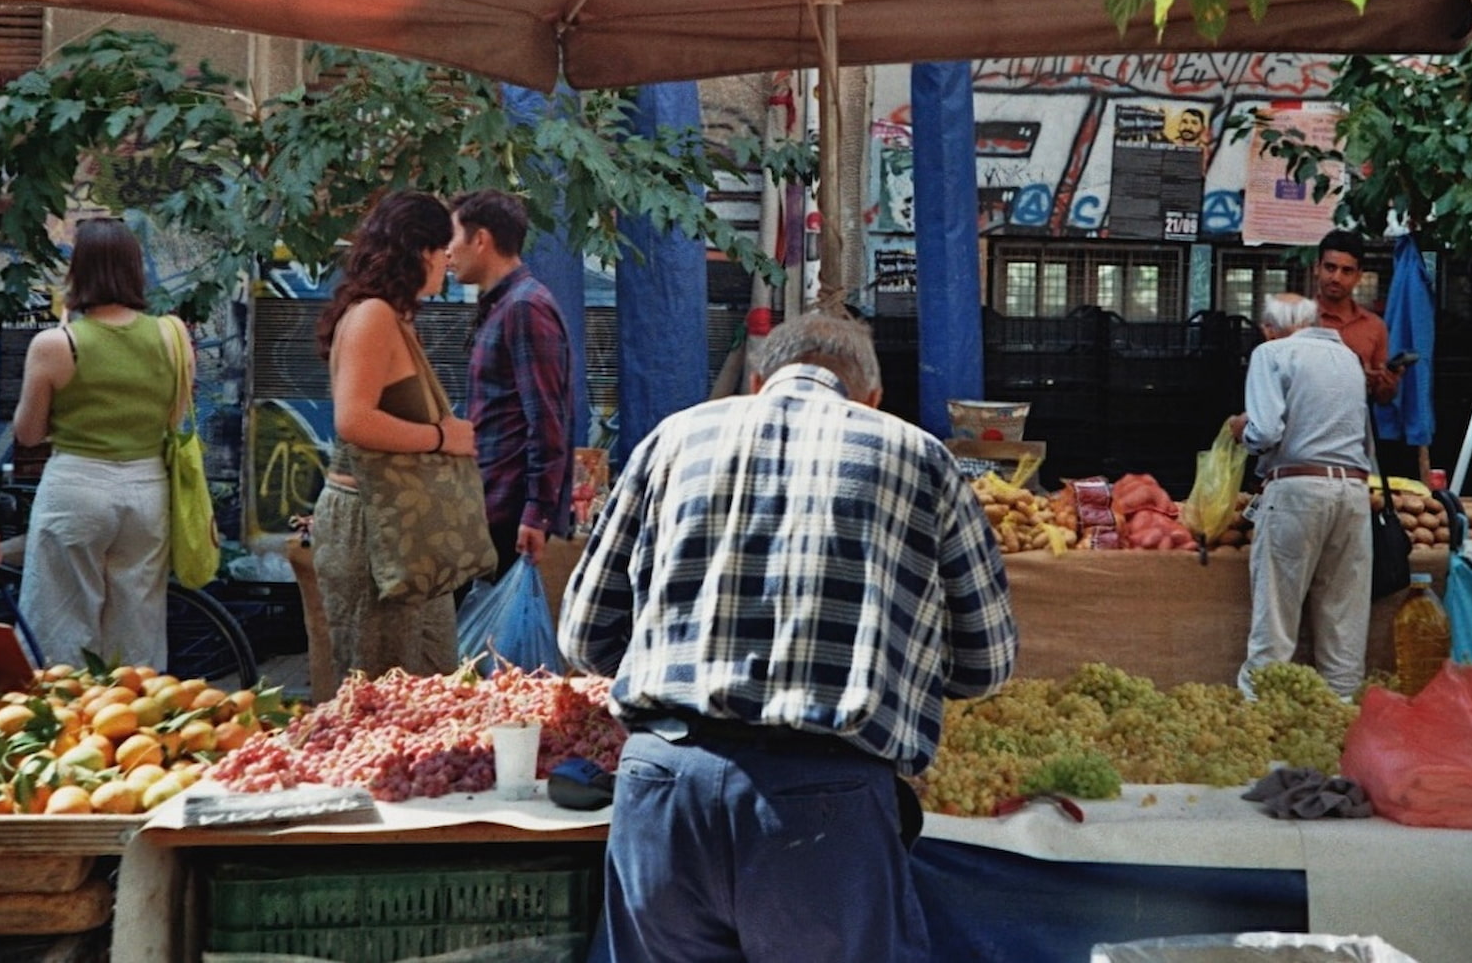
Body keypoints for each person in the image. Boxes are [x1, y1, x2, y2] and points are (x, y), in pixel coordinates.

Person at [559, 311, 1019, 963]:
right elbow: (987, 663)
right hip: (821, 802)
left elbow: (584, 637)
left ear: (757, 381)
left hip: (664, 787)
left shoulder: (672, 440)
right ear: (872, 397)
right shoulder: (920, 457)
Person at [311, 190, 475, 689]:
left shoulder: (395, 317)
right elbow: (354, 420)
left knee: (432, 681)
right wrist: (441, 437)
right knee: (382, 690)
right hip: (371, 525)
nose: (448, 262)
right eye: (443, 250)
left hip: (406, 529)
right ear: (419, 250)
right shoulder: (373, 316)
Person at [14, 217, 184, 669]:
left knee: (59, 624)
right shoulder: (172, 336)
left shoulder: (56, 344)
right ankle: (136, 709)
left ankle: (59, 709)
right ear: (135, 269)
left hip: (76, 486)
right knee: (138, 626)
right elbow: (177, 416)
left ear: (78, 271)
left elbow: (28, 433)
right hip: (148, 488)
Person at [1228, 293, 1371, 699]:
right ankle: (1342, 709)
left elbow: (1265, 431)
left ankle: (1261, 709)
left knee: (1275, 614)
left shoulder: (1271, 353)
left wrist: (1242, 429)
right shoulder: (1349, 359)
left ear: (1268, 329)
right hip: (1353, 492)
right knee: (1344, 616)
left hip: (1297, 490)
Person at [446, 189, 574, 575]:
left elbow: (547, 418)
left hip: (507, 515)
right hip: (486, 505)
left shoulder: (524, 307)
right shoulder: (503, 304)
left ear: (481, 239)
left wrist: (536, 512)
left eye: (452, 237)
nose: (447, 252)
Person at [1313, 228, 1399, 405]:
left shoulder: (1375, 326)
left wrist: (1388, 385)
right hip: (1304, 420)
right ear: (1317, 268)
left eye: (1346, 271)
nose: (1336, 278)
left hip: (1356, 420)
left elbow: (1382, 398)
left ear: (1358, 276)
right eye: (1330, 267)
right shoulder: (1298, 320)